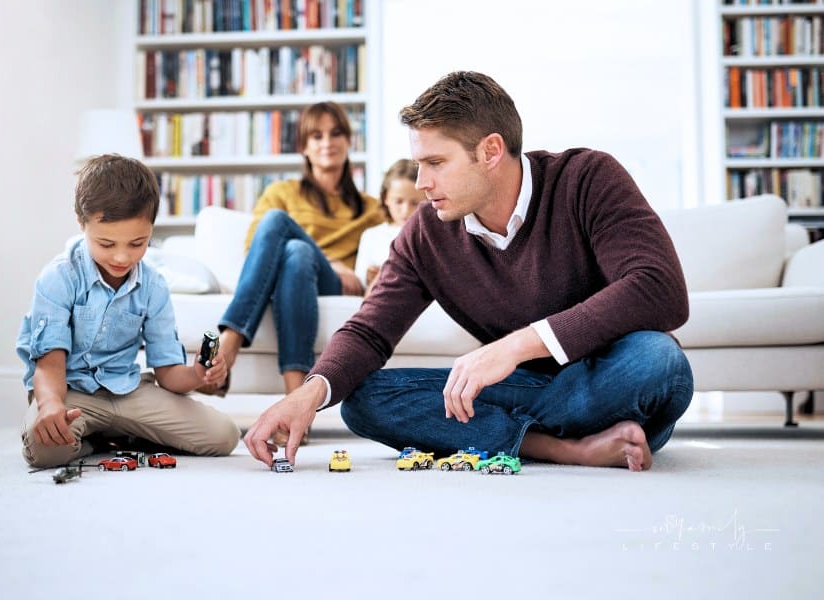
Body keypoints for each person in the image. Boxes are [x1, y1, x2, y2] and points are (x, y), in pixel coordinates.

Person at [243, 71, 694, 472]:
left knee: (658, 361)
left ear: (491, 151)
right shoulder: (426, 232)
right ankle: (566, 448)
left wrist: (515, 347)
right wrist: (307, 394)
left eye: (435, 163)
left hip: (602, 376)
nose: (421, 183)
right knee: (361, 400)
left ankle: (520, 436)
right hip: (527, 392)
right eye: (419, 165)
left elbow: (660, 289)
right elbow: (369, 331)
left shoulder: (586, 178)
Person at [16, 154, 240, 468]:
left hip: (127, 391)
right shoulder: (58, 277)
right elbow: (49, 363)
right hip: (69, 392)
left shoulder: (153, 286)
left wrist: (198, 375)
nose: (122, 257)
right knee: (45, 449)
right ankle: (102, 439)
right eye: (106, 244)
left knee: (223, 436)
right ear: (82, 223)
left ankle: (121, 434)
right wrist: (51, 404)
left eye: (137, 243)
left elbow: (169, 374)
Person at [204, 101, 383, 400]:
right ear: (304, 146)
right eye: (317, 136)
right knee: (297, 251)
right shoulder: (281, 193)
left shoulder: (371, 208)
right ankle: (297, 402)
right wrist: (329, 258)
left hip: (334, 284)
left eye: (335, 133)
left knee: (286, 233)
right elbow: (255, 249)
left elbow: (393, 247)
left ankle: (230, 343)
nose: (327, 142)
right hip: (292, 280)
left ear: (348, 141)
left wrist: (341, 266)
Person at [354, 159, 425, 295]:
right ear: (386, 198)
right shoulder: (371, 235)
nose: (405, 211)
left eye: (415, 203)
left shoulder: (429, 235)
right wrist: (368, 276)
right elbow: (360, 280)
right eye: (398, 201)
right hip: (381, 292)